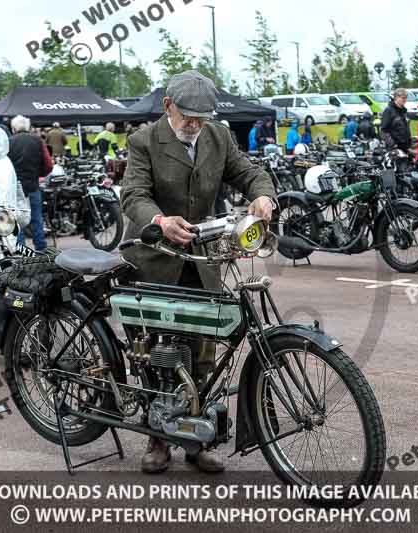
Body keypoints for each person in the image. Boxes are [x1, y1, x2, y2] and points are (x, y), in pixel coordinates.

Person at [120, 70, 276, 475]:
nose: (195, 124)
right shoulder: (143, 141)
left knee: (205, 351)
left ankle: (195, 440)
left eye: (202, 117)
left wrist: (262, 194)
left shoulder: (218, 137)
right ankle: (157, 438)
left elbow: (249, 172)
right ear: (168, 105)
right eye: (188, 115)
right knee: (159, 353)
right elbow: (133, 195)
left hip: (203, 260)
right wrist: (158, 219)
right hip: (156, 258)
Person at [9, 115, 51, 251]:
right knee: (36, 219)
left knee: (17, 220)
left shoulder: (9, 142)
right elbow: (48, 164)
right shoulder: (37, 141)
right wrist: (39, 174)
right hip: (33, 185)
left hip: (16, 187)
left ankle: (21, 250)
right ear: (27, 127)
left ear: (14, 128)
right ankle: (41, 248)